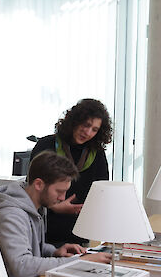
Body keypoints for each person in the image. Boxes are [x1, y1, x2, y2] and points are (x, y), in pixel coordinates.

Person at [0, 151, 111, 277]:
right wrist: (79, 262)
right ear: (39, 184)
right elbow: (22, 265)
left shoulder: (36, 206)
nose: (63, 198)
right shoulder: (11, 216)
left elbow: (31, 245)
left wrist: (54, 251)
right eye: (59, 191)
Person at [30, 98, 113, 247]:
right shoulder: (46, 145)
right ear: (74, 120)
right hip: (45, 233)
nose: (87, 132)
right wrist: (55, 207)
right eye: (86, 125)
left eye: (94, 129)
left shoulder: (97, 153)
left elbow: (102, 190)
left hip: (80, 233)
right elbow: (32, 190)